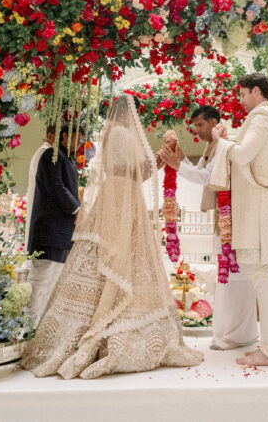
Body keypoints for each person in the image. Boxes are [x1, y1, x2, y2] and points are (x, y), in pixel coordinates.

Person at [23, 95, 202, 379]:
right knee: (118, 256)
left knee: (118, 256)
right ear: (126, 113)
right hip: (120, 197)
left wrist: (161, 156)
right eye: (134, 112)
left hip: (121, 193)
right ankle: (108, 328)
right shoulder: (120, 133)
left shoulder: (113, 134)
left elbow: (136, 172)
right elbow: (136, 171)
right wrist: (161, 155)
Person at [208, 73, 268, 367]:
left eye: (243, 94)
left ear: (256, 91)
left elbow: (243, 155)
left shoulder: (261, 117)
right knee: (265, 275)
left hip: (258, 211)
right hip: (262, 208)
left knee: (261, 275)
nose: (240, 100)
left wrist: (221, 141)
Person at [159, 106, 259, 352]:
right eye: (194, 126)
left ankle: (237, 335)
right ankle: (231, 333)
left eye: (200, 125)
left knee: (236, 275)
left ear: (215, 122)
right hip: (226, 219)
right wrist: (180, 160)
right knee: (229, 276)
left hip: (235, 219)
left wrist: (178, 165)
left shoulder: (226, 144)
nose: (196, 130)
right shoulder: (214, 147)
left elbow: (208, 178)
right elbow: (205, 173)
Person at [24, 125, 81, 325]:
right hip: (49, 231)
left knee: (51, 283)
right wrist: (76, 209)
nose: (80, 143)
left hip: (60, 233)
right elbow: (57, 186)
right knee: (41, 281)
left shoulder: (64, 157)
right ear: (63, 136)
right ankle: (28, 327)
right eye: (77, 138)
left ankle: (39, 328)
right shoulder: (51, 155)